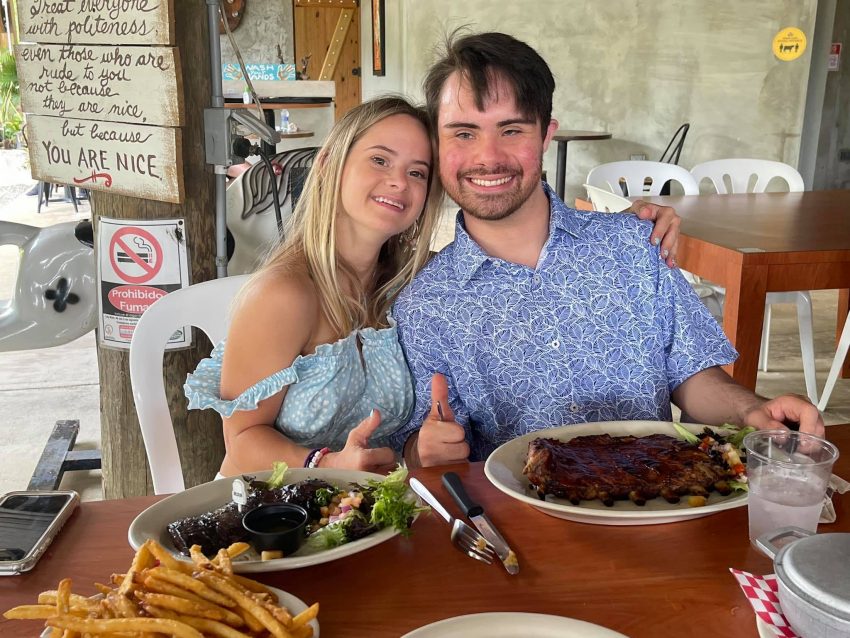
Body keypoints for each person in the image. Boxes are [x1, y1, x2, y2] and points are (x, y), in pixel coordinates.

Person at [388, 31, 824, 468]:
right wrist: (426, 451)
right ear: (437, 143)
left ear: (545, 136)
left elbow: (691, 373)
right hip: (520, 509)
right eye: (464, 133)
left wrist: (751, 411)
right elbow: (426, 440)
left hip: (660, 493)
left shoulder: (635, 244)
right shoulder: (425, 305)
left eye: (512, 129)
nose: (488, 156)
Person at [185, 96, 682, 476]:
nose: (399, 182)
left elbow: (516, 256)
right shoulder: (285, 294)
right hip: (276, 517)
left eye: (417, 172)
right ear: (330, 161)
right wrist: (327, 465)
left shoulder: (415, 285)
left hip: (375, 515)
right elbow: (242, 443)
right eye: (380, 160)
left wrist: (628, 229)